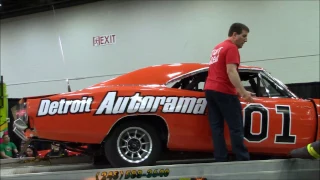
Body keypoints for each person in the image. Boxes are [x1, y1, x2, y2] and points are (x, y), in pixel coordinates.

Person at [204, 22, 254, 162]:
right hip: (224, 91)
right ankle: (242, 158)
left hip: (210, 90)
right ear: (234, 35)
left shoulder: (217, 47)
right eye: (243, 36)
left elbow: (218, 71)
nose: (246, 39)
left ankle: (220, 158)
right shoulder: (231, 48)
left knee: (217, 127)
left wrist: (239, 90)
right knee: (236, 127)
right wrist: (243, 92)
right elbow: (231, 71)